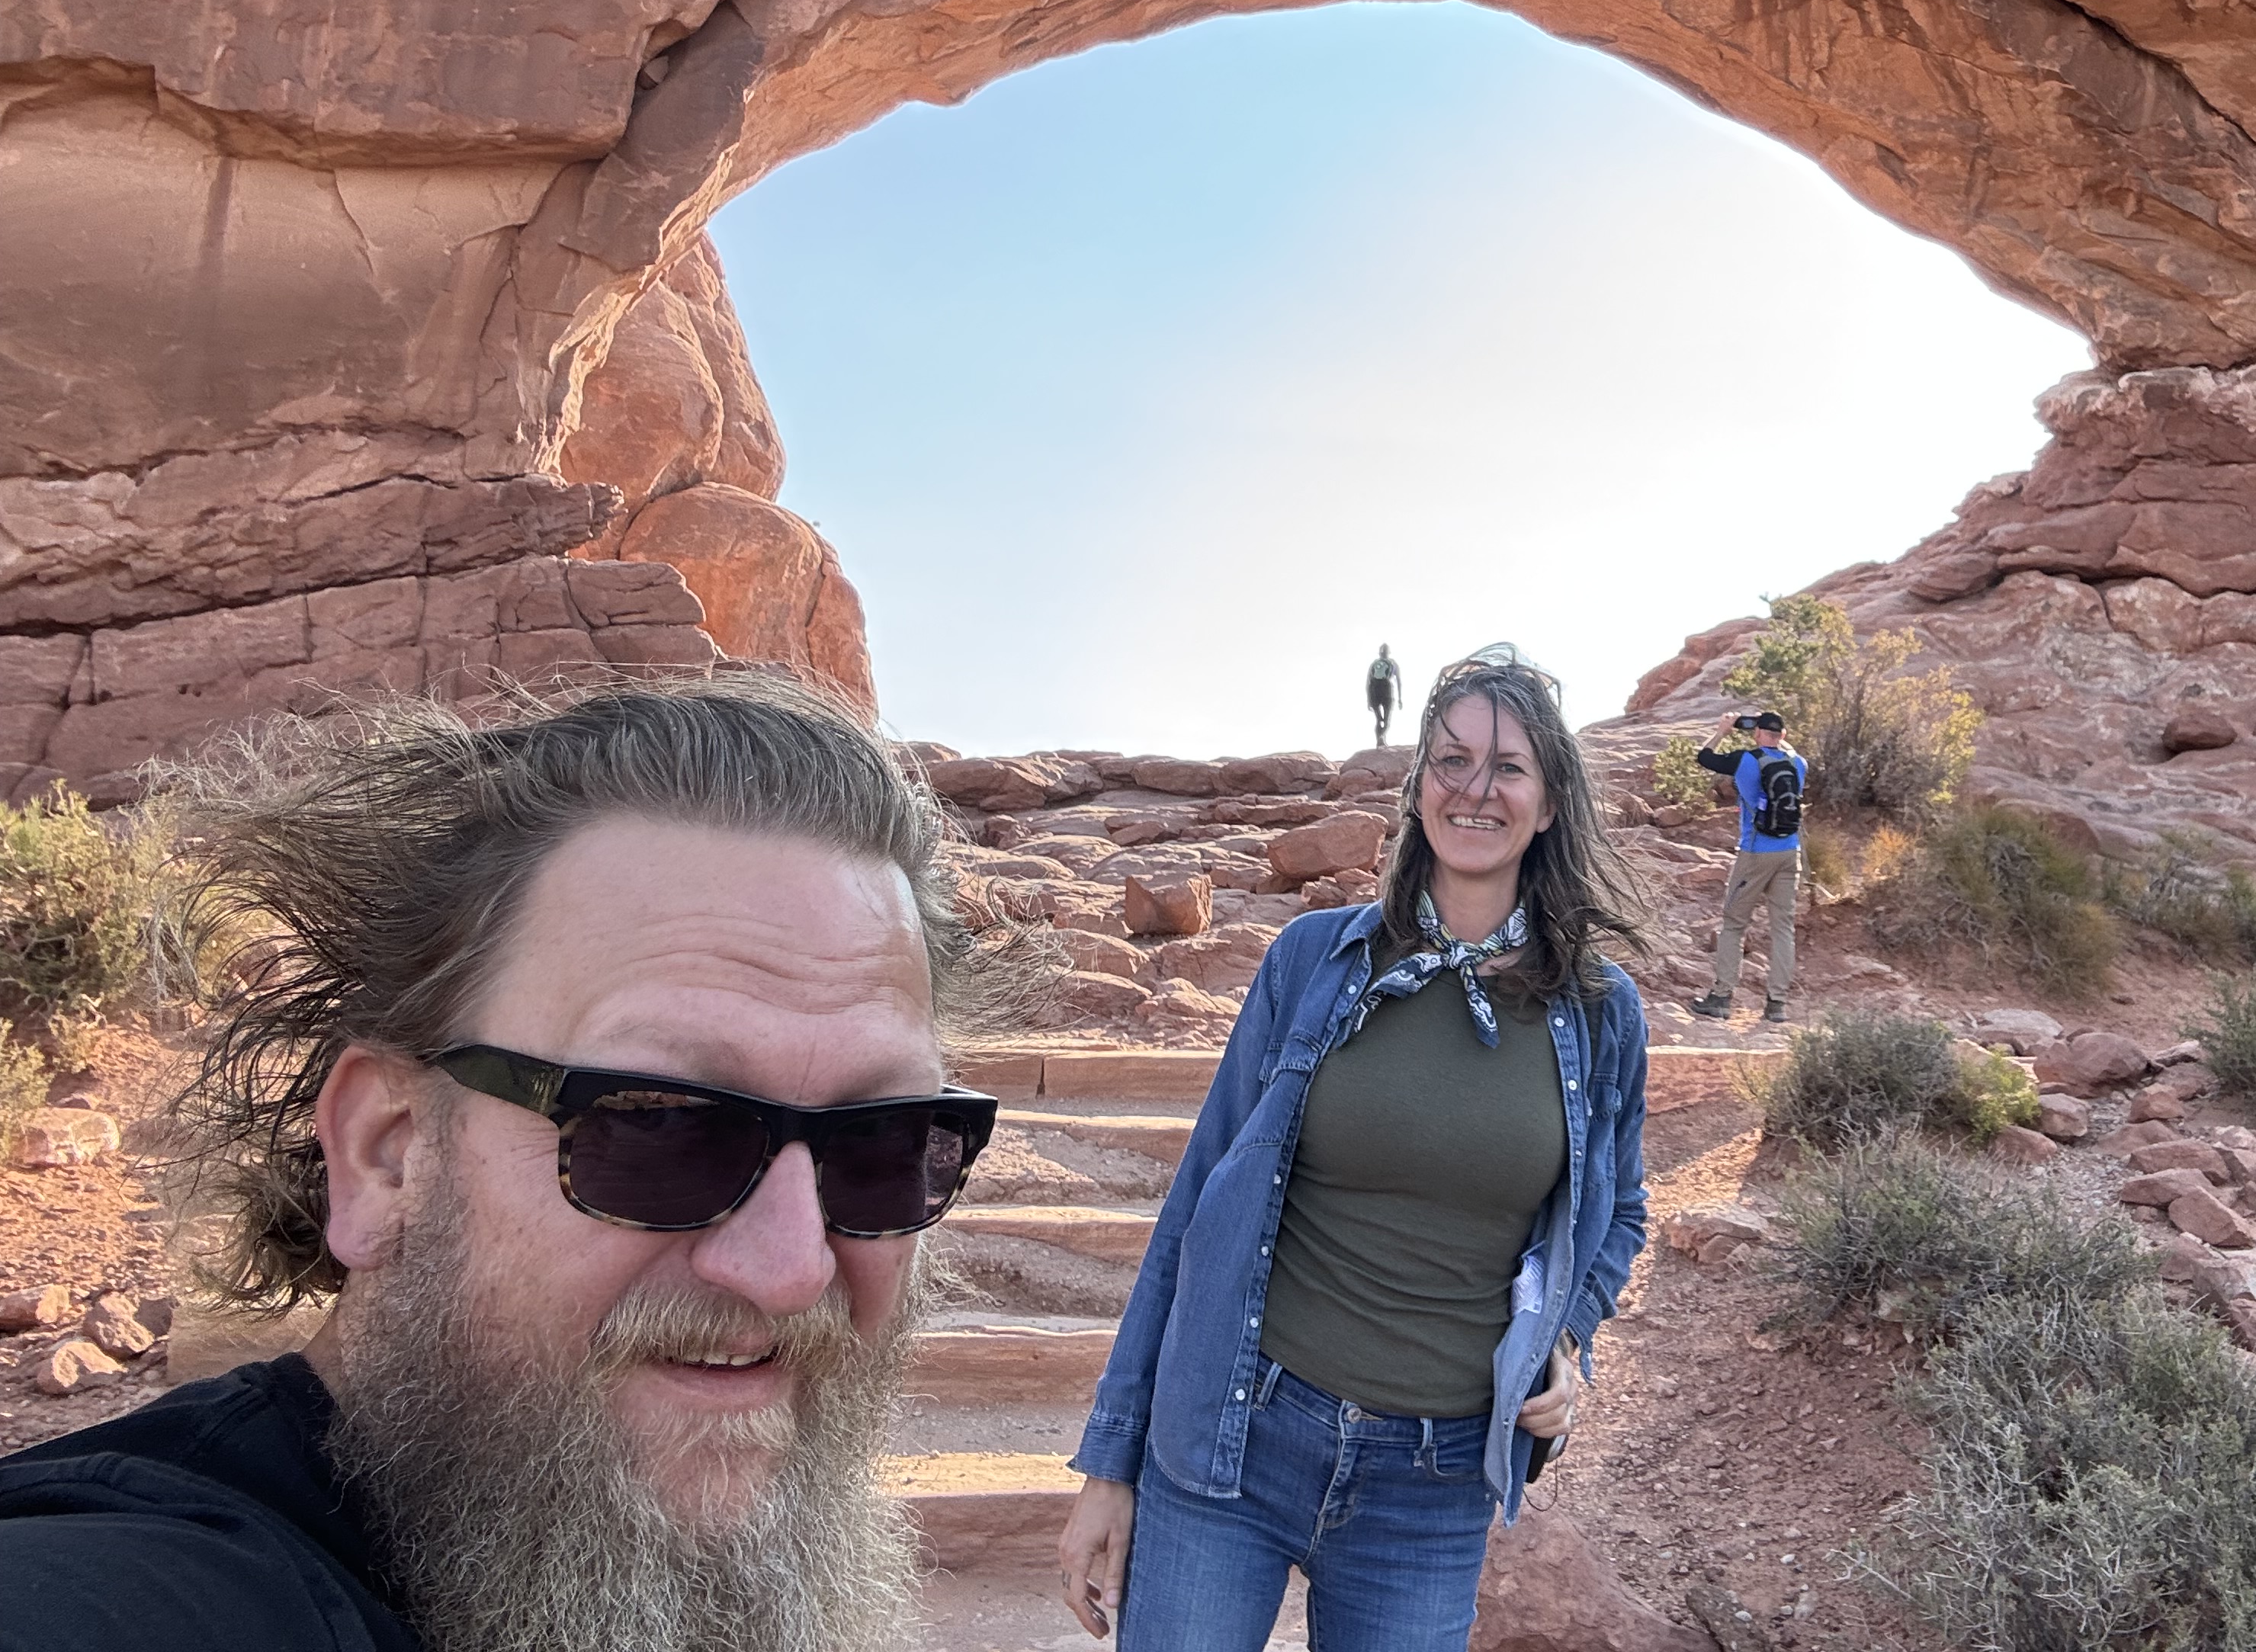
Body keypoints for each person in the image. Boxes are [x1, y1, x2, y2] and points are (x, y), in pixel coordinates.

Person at [0, 678, 994, 1652]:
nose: (791, 1271)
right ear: (387, 1154)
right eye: (658, 1126)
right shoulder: (134, 1586)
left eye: (884, 1140)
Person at [1056, 645, 1650, 1652]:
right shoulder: (1315, 960)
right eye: (1452, 760)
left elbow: (1619, 1209)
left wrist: (1566, 1330)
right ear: (1418, 785)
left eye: (1508, 768)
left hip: (1433, 1486)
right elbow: (1199, 1203)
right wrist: (1110, 1464)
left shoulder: (1599, 1011)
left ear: (1549, 805)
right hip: (1237, 1437)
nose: (1476, 789)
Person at [1685, 711, 1806, 1025]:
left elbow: (1704, 757)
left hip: (1755, 853)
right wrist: (1780, 741)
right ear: (1783, 735)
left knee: (1734, 923)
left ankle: (1721, 998)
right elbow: (1786, 752)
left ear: (1756, 732)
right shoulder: (1799, 763)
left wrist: (1722, 730)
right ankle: (1777, 1005)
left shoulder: (1746, 760)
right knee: (1783, 928)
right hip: (1789, 852)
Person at [1366, 643, 1401, 747]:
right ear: (1388, 652)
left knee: (1379, 719)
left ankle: (1379, 741)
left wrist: (1369, 700)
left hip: (1374, 690)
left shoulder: (1374, 664)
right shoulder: (1393, 663)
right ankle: (1381, 738)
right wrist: (1400, 699)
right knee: (1387, 720)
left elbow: (1368, 682)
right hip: (1386, 689)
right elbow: (1399, 681)